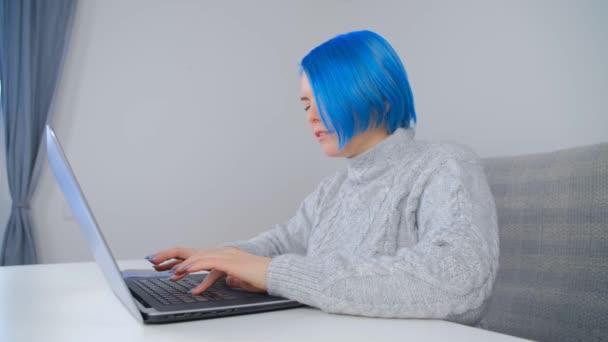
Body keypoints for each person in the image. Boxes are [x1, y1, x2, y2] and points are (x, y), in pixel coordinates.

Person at [145, 30, 499, 325]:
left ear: (382, 97)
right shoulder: (335, 188)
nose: (311, 116)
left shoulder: (446, 165)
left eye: (325, 100)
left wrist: (275, 274)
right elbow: (284, 243)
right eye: (305, 104)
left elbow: (458, 281)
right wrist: (226, 256)